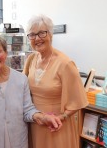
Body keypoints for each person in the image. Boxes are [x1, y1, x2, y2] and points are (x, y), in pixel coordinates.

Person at [0, 33, 62, 148]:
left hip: (18, 139)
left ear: (5, 53)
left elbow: (28, 109)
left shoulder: (21, 79)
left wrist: (42, 117)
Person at [23, 14, 89, 148]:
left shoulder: (65, 64)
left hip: (56, 125)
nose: (37, 38)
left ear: (51, 34)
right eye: (32, 35)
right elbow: (22, 87)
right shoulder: (31, 59)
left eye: (42, 33)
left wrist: (62, 117)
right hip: (35, 121)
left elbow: (78, 101)